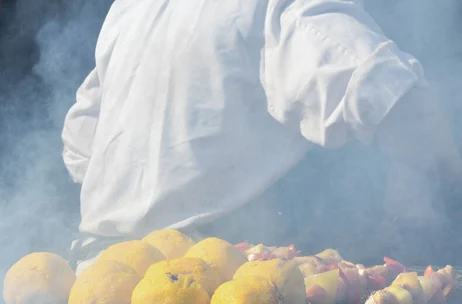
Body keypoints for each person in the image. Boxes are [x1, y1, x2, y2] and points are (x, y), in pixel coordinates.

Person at [62, 0, 462, 274]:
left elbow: (81, 143)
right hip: (208, 295)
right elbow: (387, 94)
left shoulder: (132, 7)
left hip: (100, 279)